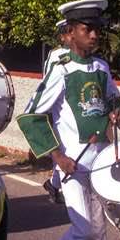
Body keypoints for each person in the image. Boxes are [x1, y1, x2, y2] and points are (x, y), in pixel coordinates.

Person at [18, 0, 120, 240]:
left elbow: (114, 98)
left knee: (98, 235)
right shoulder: (61, 70)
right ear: (70, 32)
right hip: (71, 164)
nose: (94, 35)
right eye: (87, 29)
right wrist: (57, 156)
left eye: (97, 29)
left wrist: (117, 111)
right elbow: (31, 116)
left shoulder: (101, 68)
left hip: (100, 161)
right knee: (83, 229)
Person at [41, 19, 71, 205]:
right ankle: (57, 185)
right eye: (68, 32)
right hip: (57, 108)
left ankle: (53, 184)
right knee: (62, 147)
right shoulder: (55, 55)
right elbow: (47, 81)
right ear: (62, 37)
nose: (71, 36)